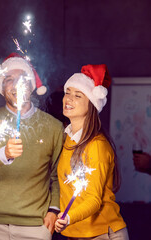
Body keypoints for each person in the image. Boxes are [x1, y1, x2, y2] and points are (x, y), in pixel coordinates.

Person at [0, 53, 64, 240]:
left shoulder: (54, 126)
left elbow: (57, 175)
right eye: (8, 79)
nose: (16, 85)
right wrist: (3, 154)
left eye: (23, 78)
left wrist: (53, 210)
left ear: (32, 85)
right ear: (1, 87)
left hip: (35, 226)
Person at [54, 64, 129, 240]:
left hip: (103, 233)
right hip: (75, 233)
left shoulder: (97, 145)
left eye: (78, 95)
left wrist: (68, 217)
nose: (69, 99)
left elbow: (94, 199)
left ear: (92, 104)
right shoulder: (67, 139)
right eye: (68, 92)